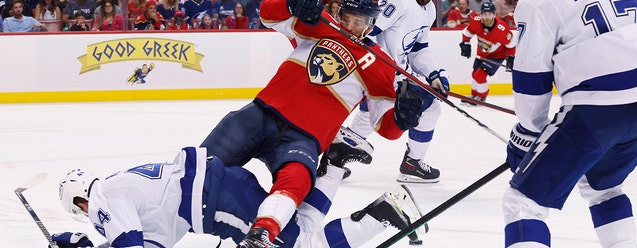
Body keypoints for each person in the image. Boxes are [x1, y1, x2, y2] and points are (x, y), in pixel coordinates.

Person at [200, 0, 425, 247]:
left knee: (296, 180)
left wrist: (403, 118)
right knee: (195, 171)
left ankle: (261, 234)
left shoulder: (381, 64)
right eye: (347, 18)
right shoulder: (321, 23)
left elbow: (386, 128)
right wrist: (290, 2)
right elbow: (267, 14)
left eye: (358, 22)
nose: (350, 26)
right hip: (259, 114)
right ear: (339, 13)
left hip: (303, 136)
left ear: (371, 25)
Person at [503, 0, 637, 246]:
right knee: (602, 187)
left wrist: (529, 131)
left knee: (523, 203)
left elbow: (531, 80)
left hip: (596, 110)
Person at [52, 145, 418, 248]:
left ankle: (380, 214)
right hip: (218, 189)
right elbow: (151, 242)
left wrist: (81, 241)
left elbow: (129, 245)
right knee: (302, 226)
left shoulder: (101, 198)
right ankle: (333, 166)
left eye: (81, 214)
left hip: (215, 200)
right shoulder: (124, 191)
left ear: (79, 201)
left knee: (301, 245)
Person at [348, 0, 449, 184]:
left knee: (367, 116)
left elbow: (418, 49)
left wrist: (435, 74)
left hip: (392, 75)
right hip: (377, 72)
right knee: (430, 109)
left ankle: (335, 158)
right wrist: (385, 68)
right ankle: (412, 164)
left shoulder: (429, 10)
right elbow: (367, 35)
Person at [458, 2, 514, 105]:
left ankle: (482, 97)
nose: (486, 17)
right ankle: (474, 95)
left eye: (489, 14)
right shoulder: (476, 22)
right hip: (482, 53)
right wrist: (465, 44)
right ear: (481, 14)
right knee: (475, 73)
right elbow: (466, 33)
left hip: (497, 56)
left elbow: (511, 45)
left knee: (480, 75)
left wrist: (511, 58)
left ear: (494, 14)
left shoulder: (502, 29)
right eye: (484, 14)